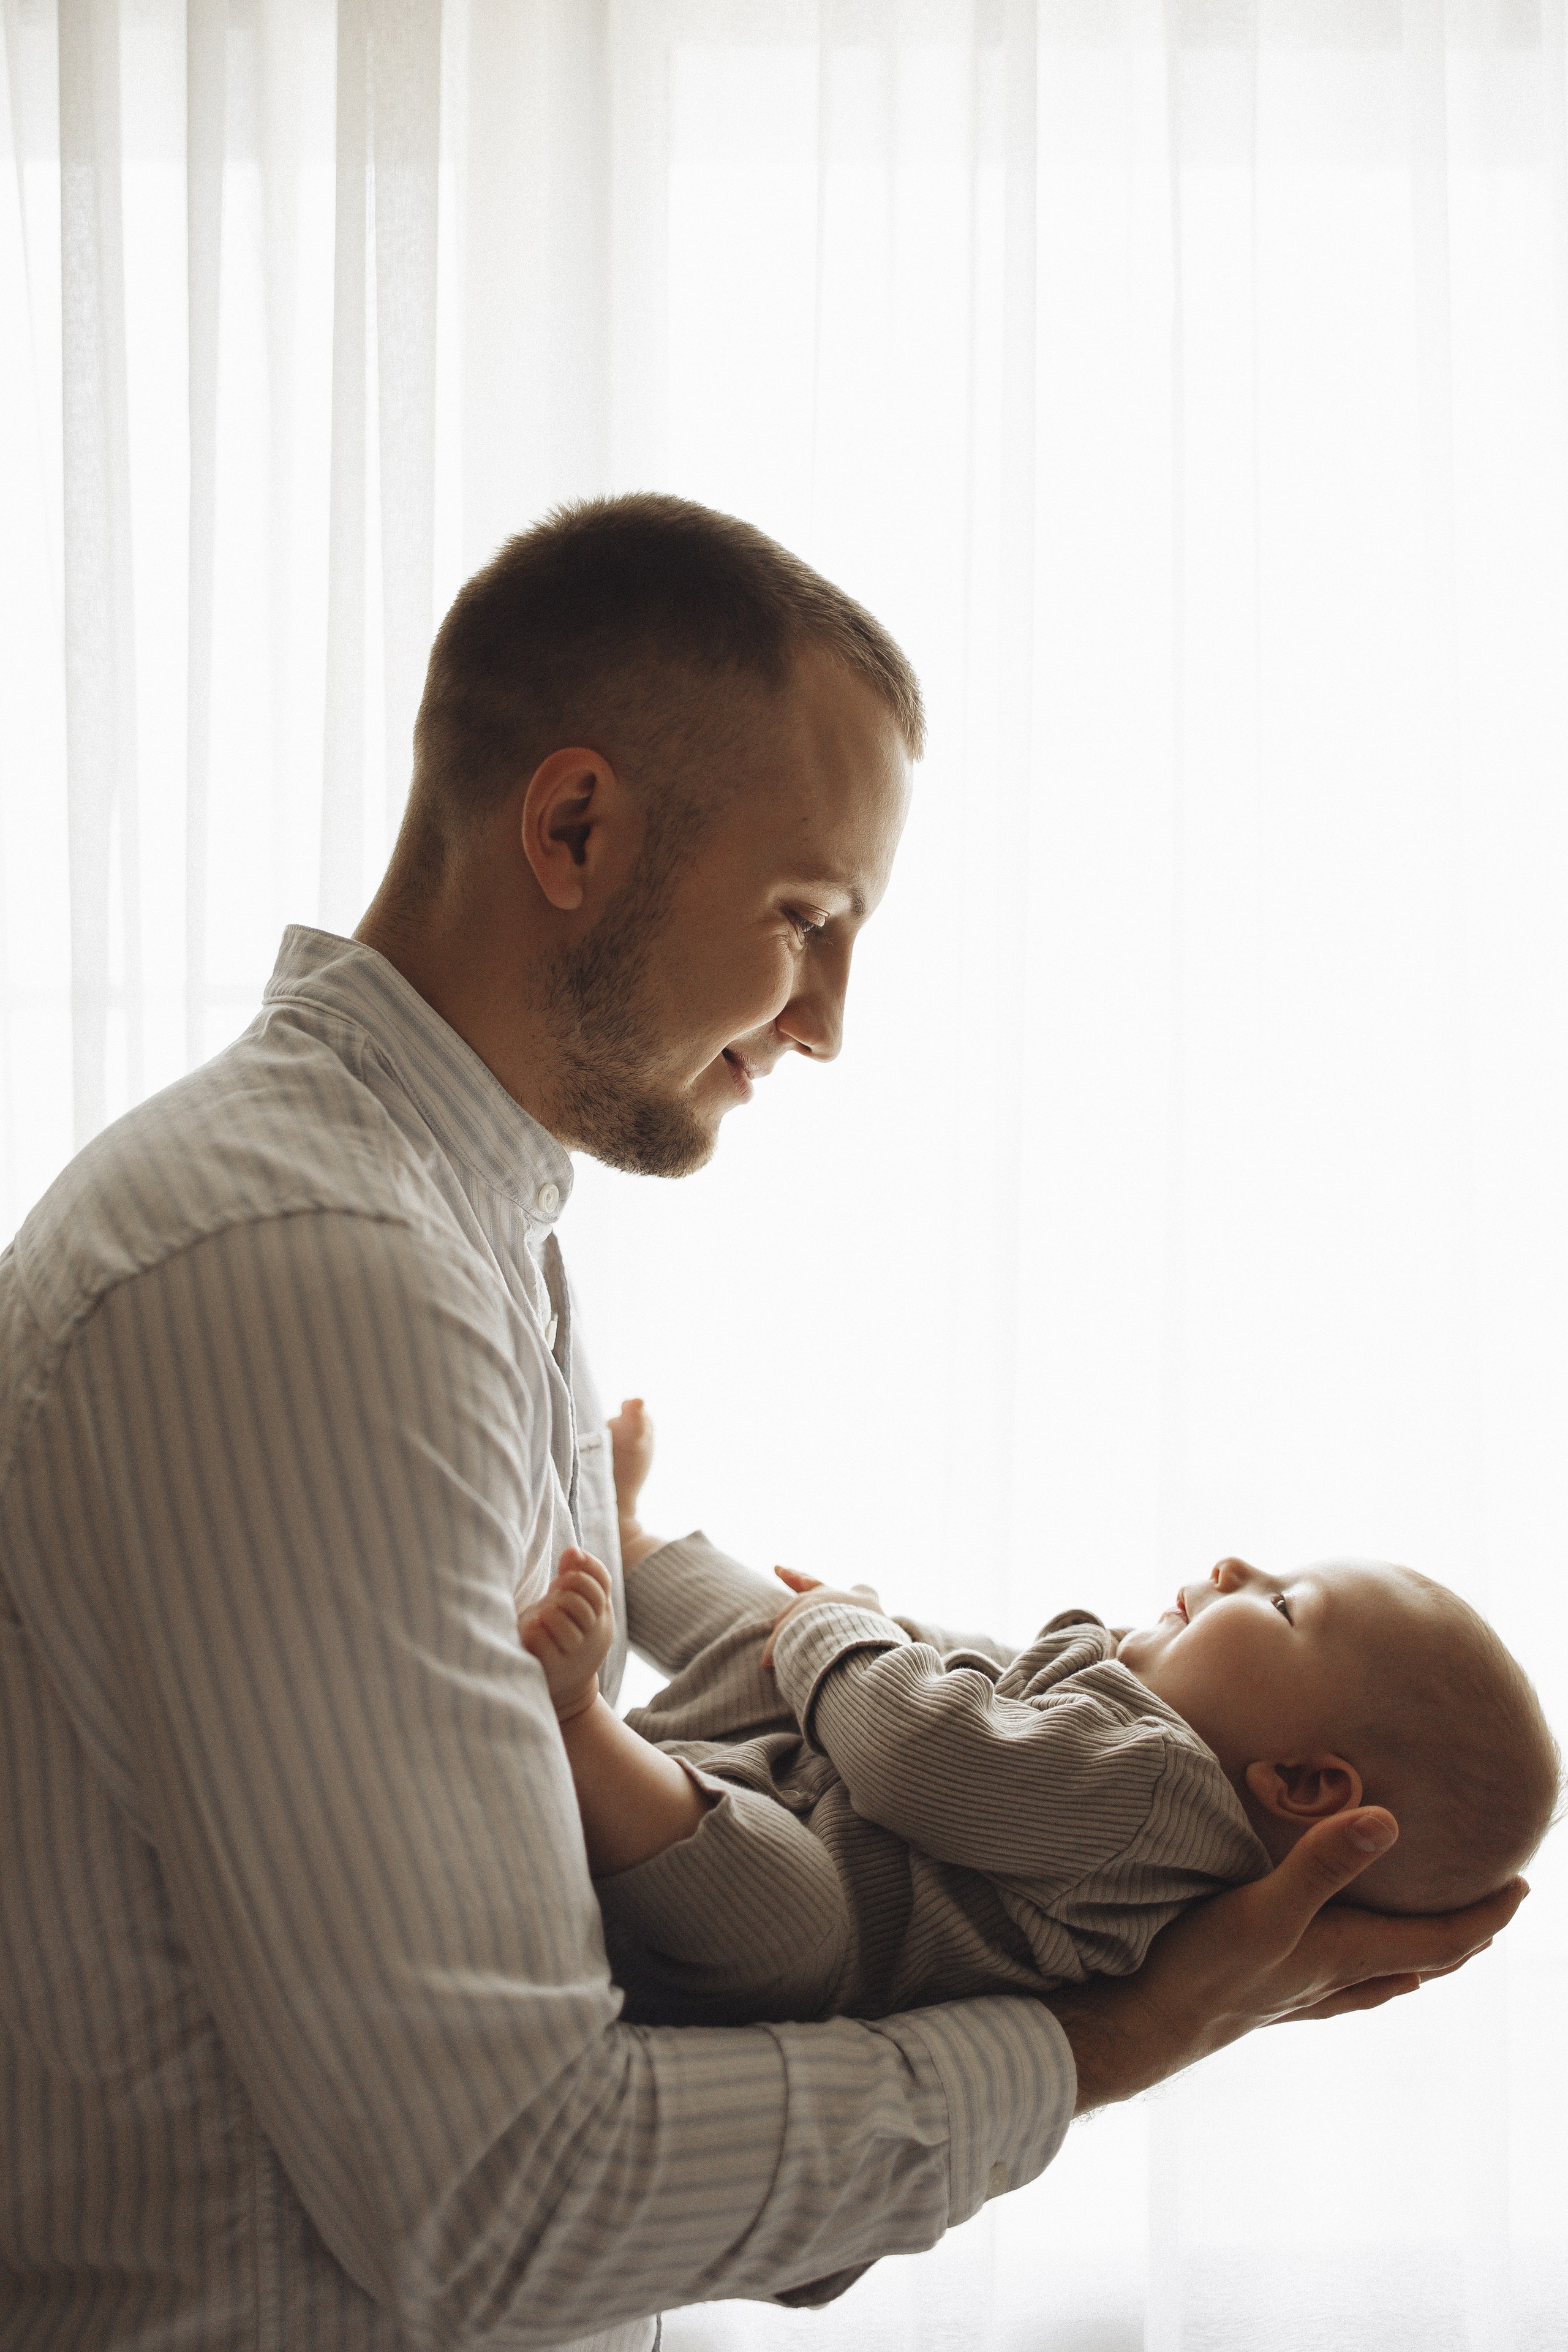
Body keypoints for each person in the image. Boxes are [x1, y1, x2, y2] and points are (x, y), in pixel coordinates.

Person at [0, 496, 1524, 2352]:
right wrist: (1102, 2047)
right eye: (807, 919)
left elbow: (609, 2051)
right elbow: (502, 2204)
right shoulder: (317, 1274)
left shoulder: (454, 1237)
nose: (826, 1023)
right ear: (574, 829)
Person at [516, 1401, 1558, 2030]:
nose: (1238, 1565)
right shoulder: (1133, 1711)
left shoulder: (1152, 1796)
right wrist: (849, 1630)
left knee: (790, 1904)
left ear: (1302, 1784)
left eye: (1285, 1604)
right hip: (800, 1783)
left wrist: (838, 1638)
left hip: (800, 1911)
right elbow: (957, 1676)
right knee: (793, 1630)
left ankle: (576, 1724)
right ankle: (636, 1543)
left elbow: (925, 1754)